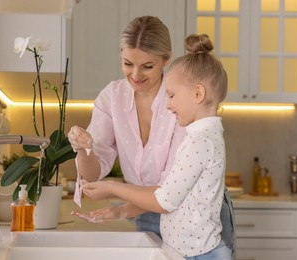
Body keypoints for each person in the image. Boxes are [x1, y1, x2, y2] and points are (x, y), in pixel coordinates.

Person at [67, 16, 235, 257]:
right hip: (159, 220)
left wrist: (113, 189)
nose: (135, 75)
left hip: (195, 228)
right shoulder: (112, 97)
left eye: (147, 66)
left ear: (166, 58)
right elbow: (92, 173)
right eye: (127, 63)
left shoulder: (184, 101)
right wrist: (81, 147)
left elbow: (167, 195)